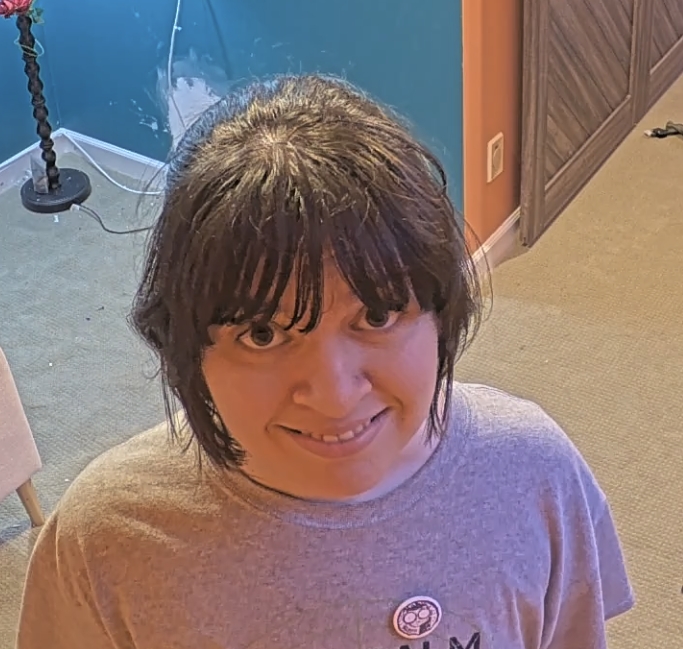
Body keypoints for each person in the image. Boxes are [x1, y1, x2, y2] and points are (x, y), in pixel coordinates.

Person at [16, 74, 634, 649]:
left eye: (377, 316)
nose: (335, 396)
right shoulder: (106, 538)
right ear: (187, 349)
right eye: (262, 333)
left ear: (441, 313)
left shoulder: (535, 474)